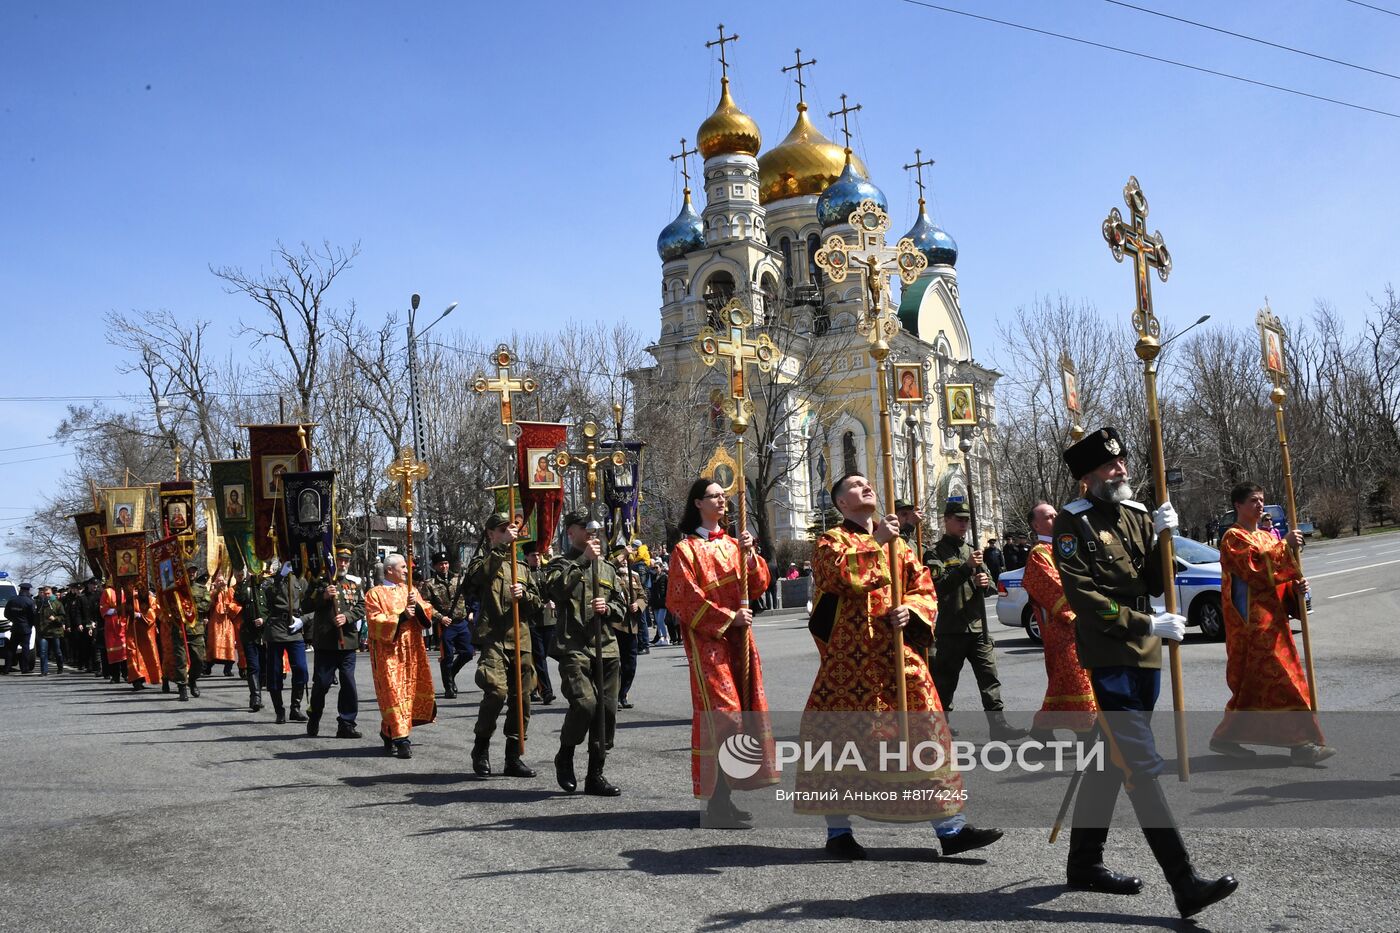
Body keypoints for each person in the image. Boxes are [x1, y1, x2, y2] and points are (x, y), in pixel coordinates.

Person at [1052, 426, 1237, 918]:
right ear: (1088, 477)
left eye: (1123, 462)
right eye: (1111, 466)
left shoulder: (1137, 515)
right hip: (1110, 652)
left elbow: (1157, 579)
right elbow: (1084, 599)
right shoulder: (1073, 524)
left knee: (1108, 761)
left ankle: (1084, 863)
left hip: (1147, 654)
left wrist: (1162, 537)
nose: (1122, 470)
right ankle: (1184, 882)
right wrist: (1144, 621)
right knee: (1139, 764)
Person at [797, 473, 1002, 859]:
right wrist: (878, 542)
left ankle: (951, 828)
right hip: (849, 665)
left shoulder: (901, 546)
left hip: (898, 657)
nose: (866, 486)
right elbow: (838, 576)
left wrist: (912, 610)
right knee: (838, 744)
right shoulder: (831, 540)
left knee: (926, 733)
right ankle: (838, 832)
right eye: (855, 485)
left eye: (867, 482)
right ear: (841, 503)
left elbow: (923, 586)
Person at [667, 477, 776, 828]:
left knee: (745, 714)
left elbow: (759, 585)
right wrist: (729, 618)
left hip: (740, 641)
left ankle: (725, 799)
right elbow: (683, 600)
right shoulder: (685, 550)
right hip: (708, 643)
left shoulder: (732, 544)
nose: (722, 501)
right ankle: (715, 802)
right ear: (698, 503)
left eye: (724, 496)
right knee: (724, 717)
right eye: (714, 496)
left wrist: (750, 554)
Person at [1210, 482, 1333, 764]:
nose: (1260, 505)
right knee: (1284, 681)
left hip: (1274, 622)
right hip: (1252, 626)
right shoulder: (1233, 538)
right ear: (1238, 506)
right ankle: (1301, 745)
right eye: (1253, 501)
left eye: (1262, 500)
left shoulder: (1266, 537)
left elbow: (1279, 578)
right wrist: (1285, 545)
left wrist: (1295, 589)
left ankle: (1225, 737)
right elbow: (1254, 570)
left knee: (1253, 687)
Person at [544, 511, 627, 796]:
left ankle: (596, 774)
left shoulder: (607, 569)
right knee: (585, 704)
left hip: (606, 646)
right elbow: (555, 590)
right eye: (585, 528)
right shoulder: (561, 563)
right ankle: (565, 754)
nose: (593, 533)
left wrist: (610, 608)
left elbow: (622, 605)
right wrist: (582, 561)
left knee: (606, 712)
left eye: (595, 529)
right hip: (574, 646)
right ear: (571, 533)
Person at [927, 502, 1026, 741]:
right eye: (958, 519)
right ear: (946, 520)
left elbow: (991, 586)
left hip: (978, 627)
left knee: (989, 678)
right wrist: (966, 568)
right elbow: (937, 588)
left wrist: (985, 583)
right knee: (945, 682)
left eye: (966, 521)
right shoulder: (934, 553)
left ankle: (998, 725)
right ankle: (942, 726)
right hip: (952, 629)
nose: (963, 524)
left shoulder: (973, 550)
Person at [465, 514, 540, 777]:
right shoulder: (482, 562)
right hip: (494, 637)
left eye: (512, 528)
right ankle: (481, 746)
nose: (510, 532)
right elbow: (478, 579)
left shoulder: (522, 565)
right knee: (496, 692)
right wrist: (499, 548)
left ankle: (513, 756)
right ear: (490, 534)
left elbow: (537, 603)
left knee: (522, 700)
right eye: (502, 529)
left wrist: (526, 595)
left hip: (520, 637)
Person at [1020, 502, 1096, 743]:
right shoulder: (1039, 554)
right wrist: (1080, 609)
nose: (1056, 518)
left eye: (1056, 515)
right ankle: (1086, 730)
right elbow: (1050, 587)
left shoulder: (1068, 546)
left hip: (1084, 625)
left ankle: (1042, 726)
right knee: (1075, 678)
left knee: (1065, 682)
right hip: (1061, 627)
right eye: (1049, 516)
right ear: (1036, 524)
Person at [365, 553, 436, 759]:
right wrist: (402, 615)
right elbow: (375, 621)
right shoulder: (374, 594)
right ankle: (401, 739)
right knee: (393, 693)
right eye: (403, 567)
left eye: (407, 567)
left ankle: (389, 729)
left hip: (412, 650)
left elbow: (427, 615)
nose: (407, 571)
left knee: (408, 692)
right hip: (389, 652)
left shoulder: (410, 590)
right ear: (389, 570)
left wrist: (419, 606)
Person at [301, 558, 365, 739]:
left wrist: (347, 616)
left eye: (346, 561)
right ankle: (314, 715)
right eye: (340, 561)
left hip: (348, 642)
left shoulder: (354, 583)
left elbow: (362, 606)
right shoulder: (318, 582)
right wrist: (323, 597)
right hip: (326, 643)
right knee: (322, 684)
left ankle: (346, 723)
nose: (343, 564)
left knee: (348, 683)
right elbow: (305, 606)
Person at [257, 564, 309, 723]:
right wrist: (280, 576)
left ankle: (295, 707)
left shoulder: (302, 580)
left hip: (294, 628)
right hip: (276, 629)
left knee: (301, 668)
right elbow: (266, 596)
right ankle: (279, 709)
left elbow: (310, 604)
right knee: (274, 672)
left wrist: (304, 620)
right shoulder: (271, 581)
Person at [419, 550, 467, 699]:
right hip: (445, 624)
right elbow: (426, 605)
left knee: (468, 652)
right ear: (435, 566)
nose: (444, 566)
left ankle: (451, 673)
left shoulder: (458, 579)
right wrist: (440, 618)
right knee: (447, 656)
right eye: (441, 564)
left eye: (446, 563)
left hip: (461, 621)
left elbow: (468, 596)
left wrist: (471, 612)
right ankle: (448, 687)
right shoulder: (430, 584)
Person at [524, 543, 557, 705]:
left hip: (549, 619)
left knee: (541, 656)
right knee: (539, 657)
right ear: (526, 557)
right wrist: (542, 604)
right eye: (533, 555)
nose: (536, 558)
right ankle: (547, 691)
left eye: (538, 555)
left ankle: (531, 687)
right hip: (533, 620)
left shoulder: (545, 571)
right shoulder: (523, 574)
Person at [613, 548, 646, 709]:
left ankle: (623, 693)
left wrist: (638, 605)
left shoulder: (634, 576)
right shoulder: (611, 574)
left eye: (627, 557)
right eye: (622, 557)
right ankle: (614, 696)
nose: (625, 560)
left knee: (630, 664)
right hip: (615, 625)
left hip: (631, 625)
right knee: (614, 664)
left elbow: (643, 596)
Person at [204, 572, 239, 677]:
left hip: (227, 621)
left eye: (222, 580)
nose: (221, 582)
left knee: (229, 642)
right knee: (213, 643)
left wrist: (230, 607)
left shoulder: (230, 591)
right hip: (215, 622)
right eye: (218, 581)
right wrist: (218, 589)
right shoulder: (213, 592)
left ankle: (228, 668)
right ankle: (207, 667)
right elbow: (209, 603)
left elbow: (236, 603)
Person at [99, 581, 130, 684]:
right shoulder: (107, 592)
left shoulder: (124, 591)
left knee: (125, 650)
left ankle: (126, 674)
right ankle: (115, 676)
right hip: (111, 625)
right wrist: (116, 610)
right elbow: (103, 607)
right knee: (113, 651)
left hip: (123, 623)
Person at [3, 582, 38, 674]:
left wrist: (14, 620)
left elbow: (6, 614)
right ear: (28, 590)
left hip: (15, 627)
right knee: (25, 648)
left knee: (11, 649)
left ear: (20, 589)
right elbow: (33, 616)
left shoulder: (12, 600)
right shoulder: (30, 601)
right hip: (26, 628)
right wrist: (30, 624)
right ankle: (24, 669)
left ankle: (6, 668)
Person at [36, 586, 66, 675]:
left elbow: (63, 617)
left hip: (55, 631)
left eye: (48, 593)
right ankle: (44, 671)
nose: (46, 595)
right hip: (43, 632)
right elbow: (36, 617)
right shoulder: (40, 604)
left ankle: (60, 667)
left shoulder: (57, 603)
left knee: (57, 652)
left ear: (51, 593)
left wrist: (55, 618)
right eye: (45, 594)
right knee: (43, 652)